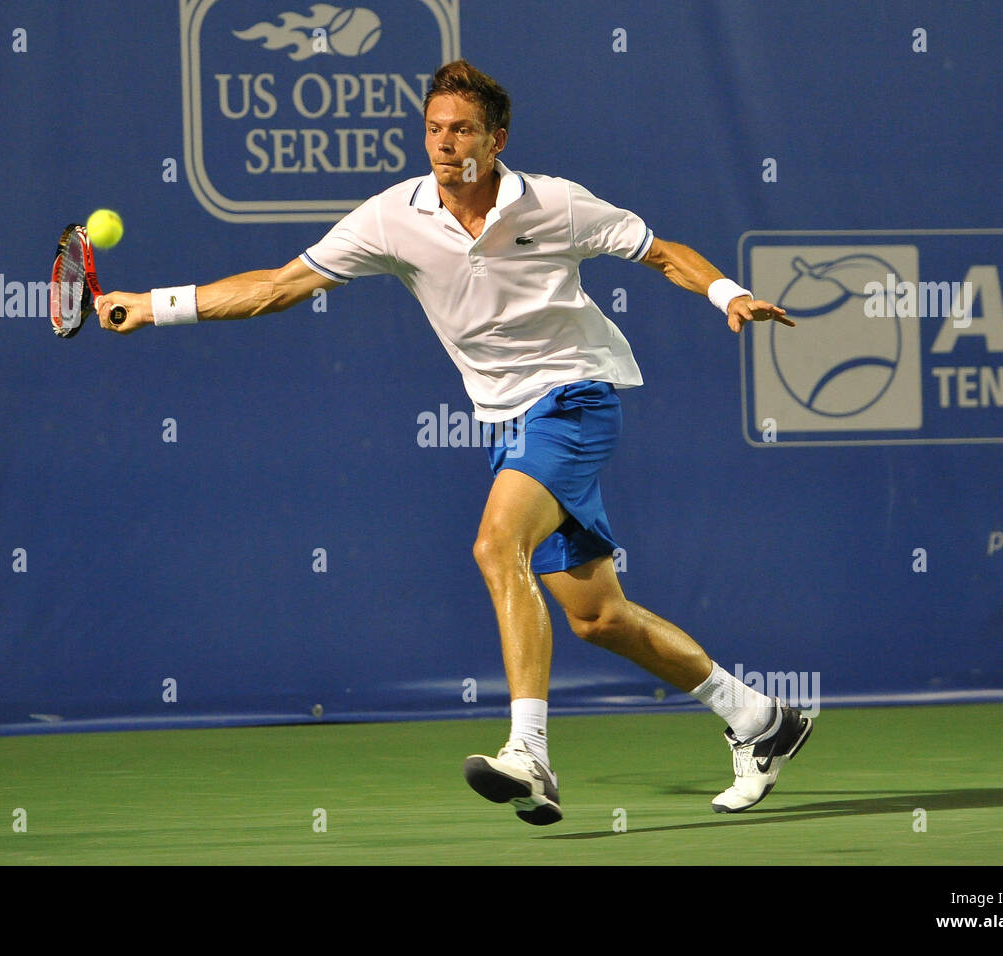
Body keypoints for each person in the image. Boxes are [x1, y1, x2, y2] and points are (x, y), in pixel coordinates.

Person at [98, 60, 810, 826]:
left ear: (496, 138)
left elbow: (661, 251)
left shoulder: (558, 204)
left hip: (576, 396)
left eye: (462, 129)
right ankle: (763, 719)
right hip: (508, 421)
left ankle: (529, 754)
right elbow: (278, 286)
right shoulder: (391, 218)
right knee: (598, 617)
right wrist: (153, 305)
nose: (444, 143)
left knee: (494, 544)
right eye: (434, 128)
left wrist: (727, 293)